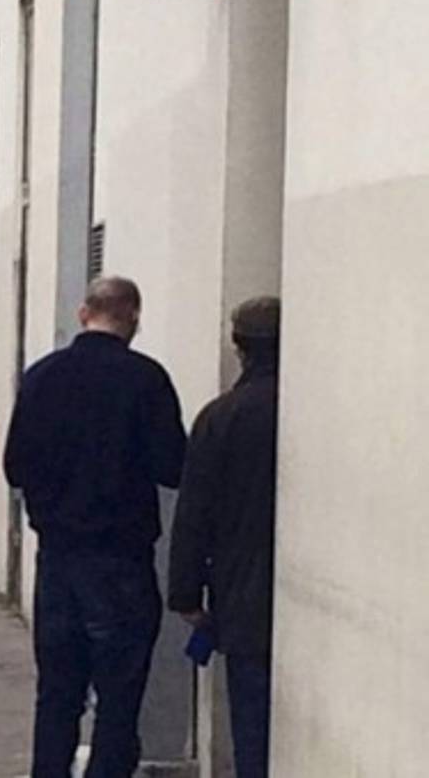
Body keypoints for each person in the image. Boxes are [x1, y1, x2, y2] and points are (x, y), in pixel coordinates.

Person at [3, 277, 187, 777]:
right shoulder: (146, 379)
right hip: (121, 558)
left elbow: (15, 465)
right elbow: (173, 464)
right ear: (133, 317)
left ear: (85, 313)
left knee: (58, 692)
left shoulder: (42, 377)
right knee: (119, 696)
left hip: (59, 555)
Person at [168, 297, 281, 778]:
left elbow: (195, 512)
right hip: (289, 589)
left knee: (252, 719)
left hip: (243, 592)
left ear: (240, 349)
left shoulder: (222, 416)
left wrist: (186, 593)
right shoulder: (319, 410)